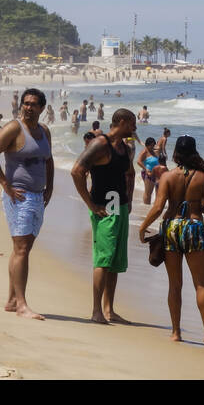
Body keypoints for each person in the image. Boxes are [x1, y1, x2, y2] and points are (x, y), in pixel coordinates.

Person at [138, 136, 204, 349]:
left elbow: (158, 208)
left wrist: (142, 226)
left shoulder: (167, 176)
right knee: (201, 284)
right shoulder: (203, 177)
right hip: (193, 227)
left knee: (175, 285)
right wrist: (195, 207)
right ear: (194, 153)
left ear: (175, 154)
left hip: (171, 228)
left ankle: (175, 332)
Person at [0, 87, 54, 320]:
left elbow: (48, 159)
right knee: (22, 249)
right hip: (19, 195)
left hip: (37, 196)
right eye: (26, 103)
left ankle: (12, 300)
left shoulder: (44, 131)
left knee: (22, 249)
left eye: (34, 104)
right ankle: (22, 305)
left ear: (42, 108)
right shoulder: (14, 128)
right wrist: (5, 184)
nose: (29, 107)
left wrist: (50, 186)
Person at [71, 108, 137, 324]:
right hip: (104, 207)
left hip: (120, 206)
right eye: (132, 123)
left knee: (115, 260)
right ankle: (96, 310)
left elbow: (129, 174)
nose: (135, 128)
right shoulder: (100, 143)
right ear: (123, 122)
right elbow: (77, 171)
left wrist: (129, 199)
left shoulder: (125, 148)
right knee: (103, 258)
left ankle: (109, 309)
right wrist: (90, 203)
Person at [137, 137, 160, 205]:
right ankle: (146, 207)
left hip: (155, 174)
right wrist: (146, 169)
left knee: (153, 191)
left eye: (154, 145)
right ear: (147, 144)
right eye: (151, 145)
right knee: (148, 192)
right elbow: (138, 161)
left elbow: (158, 148)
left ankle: (149, 206)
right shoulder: (145, 151)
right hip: (148, 173)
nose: (153, 146)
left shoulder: (153, 151)